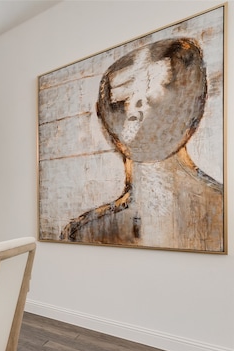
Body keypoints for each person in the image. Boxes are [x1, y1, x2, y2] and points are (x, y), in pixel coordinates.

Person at [61, 38, 224, 252]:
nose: (136, 108)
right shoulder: (84, 232)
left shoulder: (84, 232)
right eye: (124, 99)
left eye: (151, 98)